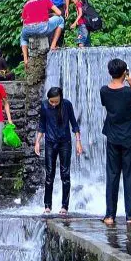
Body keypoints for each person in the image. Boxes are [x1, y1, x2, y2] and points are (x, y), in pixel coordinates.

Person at [100, 58, 131, 225]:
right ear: (125, 73)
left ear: (110, 72)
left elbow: (106, 104)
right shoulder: (129, 92)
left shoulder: (104, 90)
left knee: (112, 175)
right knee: (130, 175)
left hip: (112, 136)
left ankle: (109, 215)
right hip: (128, 137)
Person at [34, 86, 83, 214]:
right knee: (49, 174)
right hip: (50, 143)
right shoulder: (44, 106)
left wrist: (78, 142)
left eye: (56, 101)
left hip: (65, 143)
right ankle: (47, 206)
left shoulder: (67, 105)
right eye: (52, 101)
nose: (54, 104)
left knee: (65, 175)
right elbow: (42, 125)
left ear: (60, 98)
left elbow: (74, 124)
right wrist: (37, 142)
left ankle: (64, 206)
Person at [19, 0, 64, 66]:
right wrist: (52, 14)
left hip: (28, 29)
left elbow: (24, 20)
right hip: (42, 28)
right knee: (61, 20)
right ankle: (53, 45)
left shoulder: (27, 4)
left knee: (23, 39)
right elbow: (59, 13)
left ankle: (26, 60)